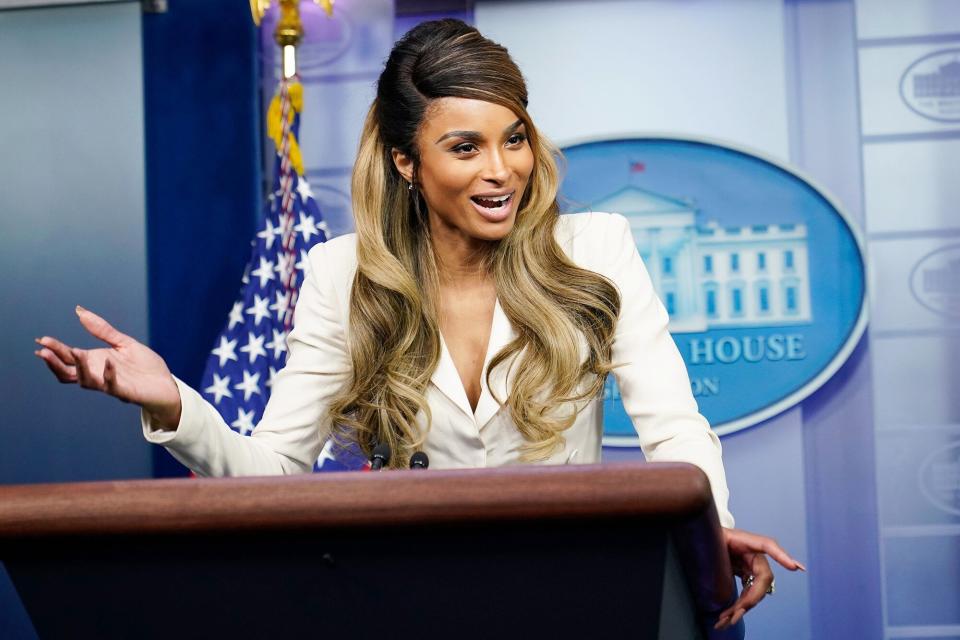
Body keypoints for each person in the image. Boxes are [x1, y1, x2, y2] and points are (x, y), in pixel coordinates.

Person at [35, 18, 803, 630]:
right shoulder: (344, 274)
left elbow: (675, 426)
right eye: (465, 147)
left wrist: (713, 532)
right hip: (411, 599)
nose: (500, 170)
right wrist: (172, 403)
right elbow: (271, 477)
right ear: (406, 161)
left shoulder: (596, 246)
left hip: (577, 591)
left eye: (514, 138)